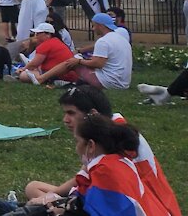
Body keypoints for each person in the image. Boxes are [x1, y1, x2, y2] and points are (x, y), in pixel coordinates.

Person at [25, 85, 179, 215]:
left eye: (71, 113)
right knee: (34, 190)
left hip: (151, 206)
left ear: (93, 114)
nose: (65, 119)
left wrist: (56, 202)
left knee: (39, 198)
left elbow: (90, 195)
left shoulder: (108, 147)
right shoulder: (113, 130)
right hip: (145, 203)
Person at [37, 13, 131, 89]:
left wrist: (79, 61)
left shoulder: (103, 41)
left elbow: (98, 64)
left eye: (94, 26)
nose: (93, 29)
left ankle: (41, 78)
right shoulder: (121, 38)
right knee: (78, 61)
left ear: (101, 26)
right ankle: (58, 81)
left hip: (110, 82)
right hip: (123, 82)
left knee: (70, 62)